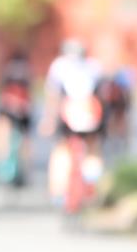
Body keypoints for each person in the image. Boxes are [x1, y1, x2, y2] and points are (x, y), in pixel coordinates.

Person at [39, 39, 105, 207]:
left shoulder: (59, 66)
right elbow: (102, 97)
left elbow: (53, 97)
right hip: (91, 113)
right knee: (93, 148)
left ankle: (58, 190)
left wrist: (48, 120)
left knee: (61, 149)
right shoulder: (94, 67)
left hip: (68, 114)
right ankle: (92, 182)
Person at [0, 52, 33, 185]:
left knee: (1, 129)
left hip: (9, 110)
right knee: (23, 137)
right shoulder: (26, 74)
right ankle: (22, 165)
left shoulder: (7, 73)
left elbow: (0, 97)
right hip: (20, 111)